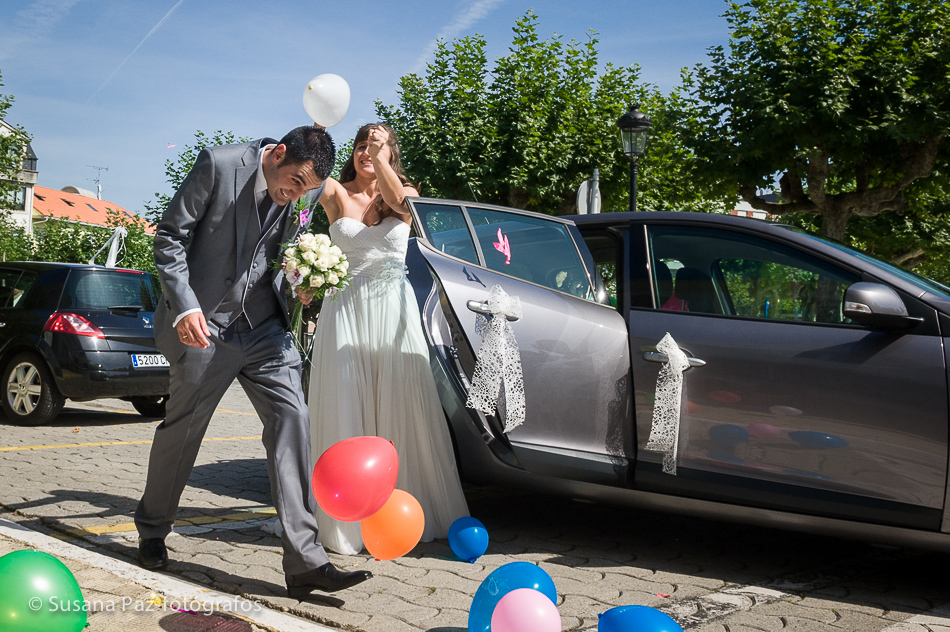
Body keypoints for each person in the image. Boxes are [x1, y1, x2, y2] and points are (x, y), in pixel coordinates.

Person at [135, 125, 372, 597]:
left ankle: (305, 560)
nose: (294, 195)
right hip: (206, 326)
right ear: (278, 153)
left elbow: (283, 253)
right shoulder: (220, 166)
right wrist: (184, 306)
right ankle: (153, 529)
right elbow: (170, 237)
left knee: (293, 417)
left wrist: (304, 279)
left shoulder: (305, 191)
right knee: (183, 431)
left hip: (265, 327)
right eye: (294, 181)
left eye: (305, 189)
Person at [303, 123, 469, 555]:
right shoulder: (337, 193)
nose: (365, 152)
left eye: (375, 146)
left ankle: (405, 509)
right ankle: (343, 520)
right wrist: (298, 271)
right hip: (344, 310)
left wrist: (382, 158)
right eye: (360, 145)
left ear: (391, 152)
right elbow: (302, 192)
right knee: (346, 401)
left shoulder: (405, 193)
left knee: (401, 400)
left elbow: (398, 203)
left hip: (392, 312)